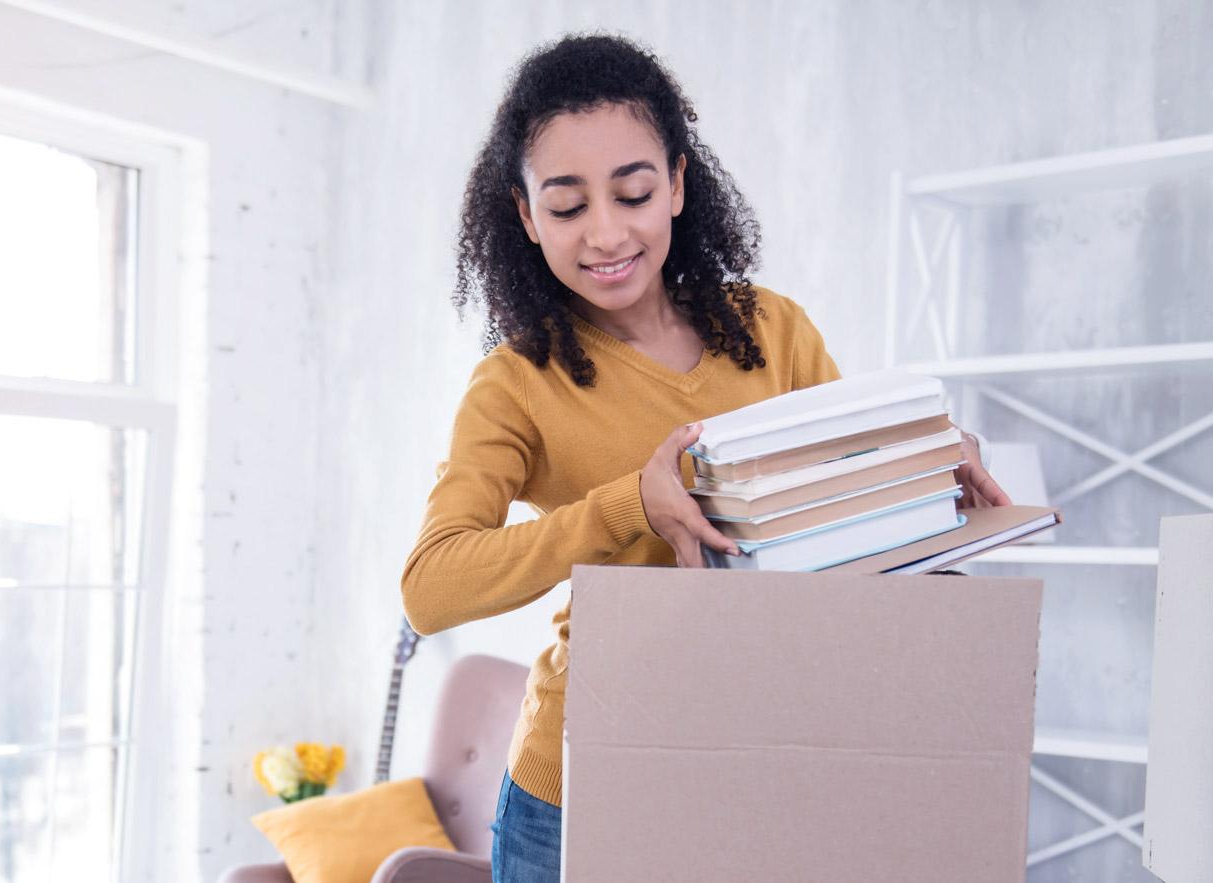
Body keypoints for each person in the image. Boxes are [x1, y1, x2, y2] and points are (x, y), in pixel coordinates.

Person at [399, 33, 1010, 883]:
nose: (607, 233)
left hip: (759, 759)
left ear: (678, 184)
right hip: (577, 786)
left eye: (635, 192)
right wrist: (627, 508)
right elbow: (431, 589)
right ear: (526, 213)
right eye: (568, 206)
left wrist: (920, 466)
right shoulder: (516, 384)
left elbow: (850, 544)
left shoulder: (773, 331)